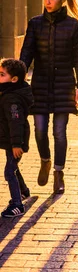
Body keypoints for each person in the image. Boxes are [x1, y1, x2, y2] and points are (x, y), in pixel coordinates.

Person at [20, 0, 78, 194]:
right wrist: (18, 81)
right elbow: (26, 55)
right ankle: (45, 160)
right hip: (39, 84)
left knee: (59, 131)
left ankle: (58, 172)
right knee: (40, 131)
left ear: (62, 0)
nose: (48, 2)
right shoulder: (35, 23)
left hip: (64, 85)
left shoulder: (73, 26)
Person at [0, 58, 33, 218]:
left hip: (15, 140)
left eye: (1, 75)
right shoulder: (8, 92)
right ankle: (24, 191)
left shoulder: (12, 98)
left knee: (9, 171)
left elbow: (16, 122)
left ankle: (17, 205)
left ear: (14, 79)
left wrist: (16, 144)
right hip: (11, 139)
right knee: (13, 166)